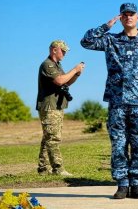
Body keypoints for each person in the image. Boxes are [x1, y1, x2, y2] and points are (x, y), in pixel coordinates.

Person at [81, 3, 138, 200]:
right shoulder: (111, 40)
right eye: (124, 14)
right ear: (121, 17)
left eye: (131, 14)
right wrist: (105, 26)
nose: (128, 17)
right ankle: (122, 184)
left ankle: (136, 183)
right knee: (118, 144)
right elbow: (86, 42)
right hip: (117, 101)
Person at [37, 40, 85, 176]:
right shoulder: (47, 65)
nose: (64, 53)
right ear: (54, 50)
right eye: (62, 51)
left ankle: (43, 169)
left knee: (48, 137)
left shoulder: (57, 65)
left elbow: (66, 82)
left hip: (56, 106)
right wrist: (74, 69)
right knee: (53, 138)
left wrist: (76, 74)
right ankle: (58, 169)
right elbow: (59, 80)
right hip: (49, 106)